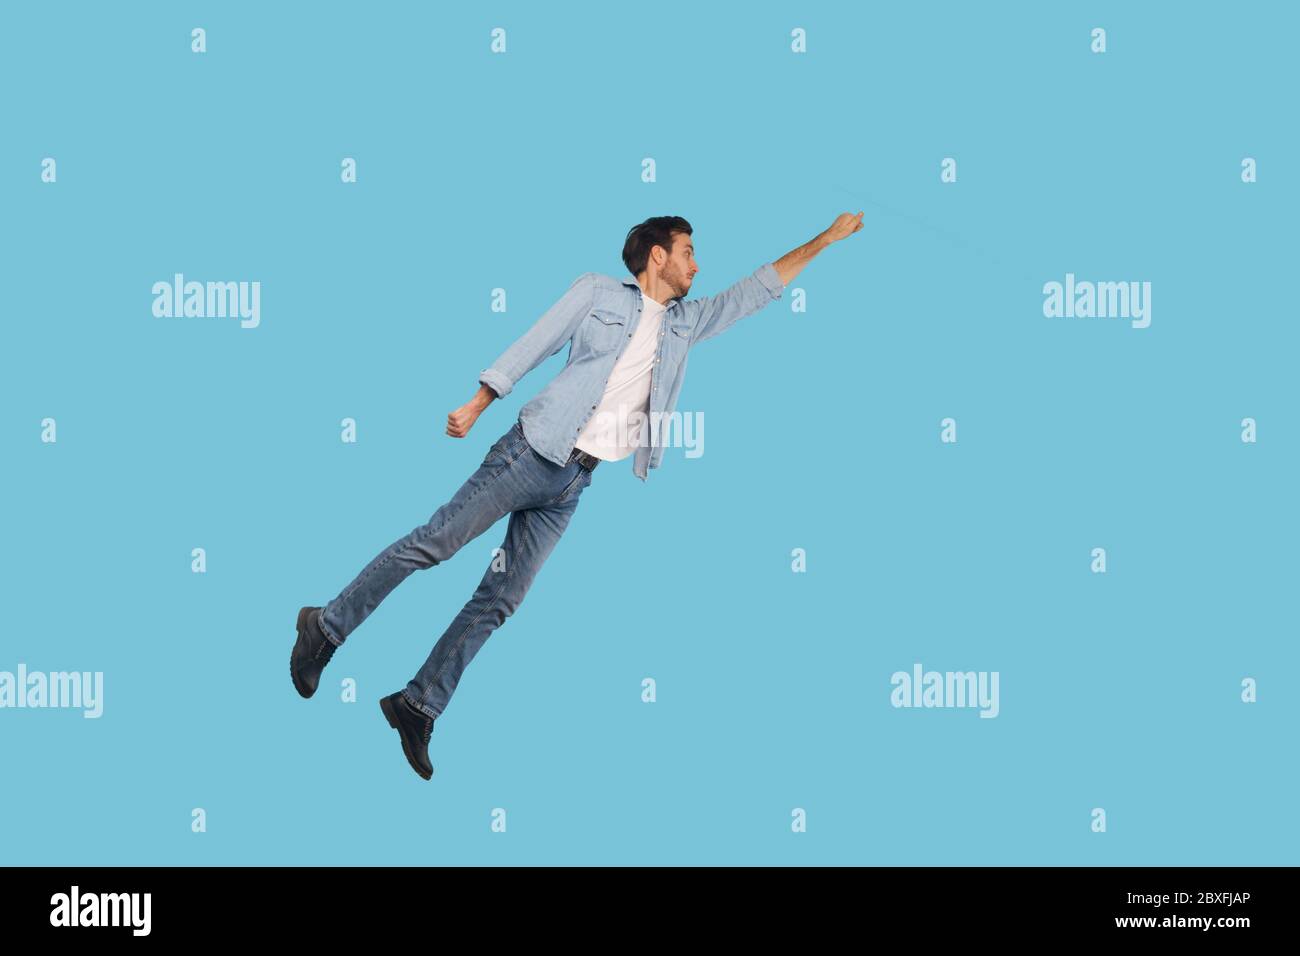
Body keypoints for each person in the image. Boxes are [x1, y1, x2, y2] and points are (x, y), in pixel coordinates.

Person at [291, 211, 865, 779]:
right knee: (435, 543)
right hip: (530, 451)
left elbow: (755, 291)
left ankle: (418, 704)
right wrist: (479, 400)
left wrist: (824, 241)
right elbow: (534, 344)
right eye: (689, 250)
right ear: (658, 255)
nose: (698, 264)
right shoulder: (598, 294)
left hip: (573, 481)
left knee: (502, 598)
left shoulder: (685, 324)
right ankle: (327, 625)